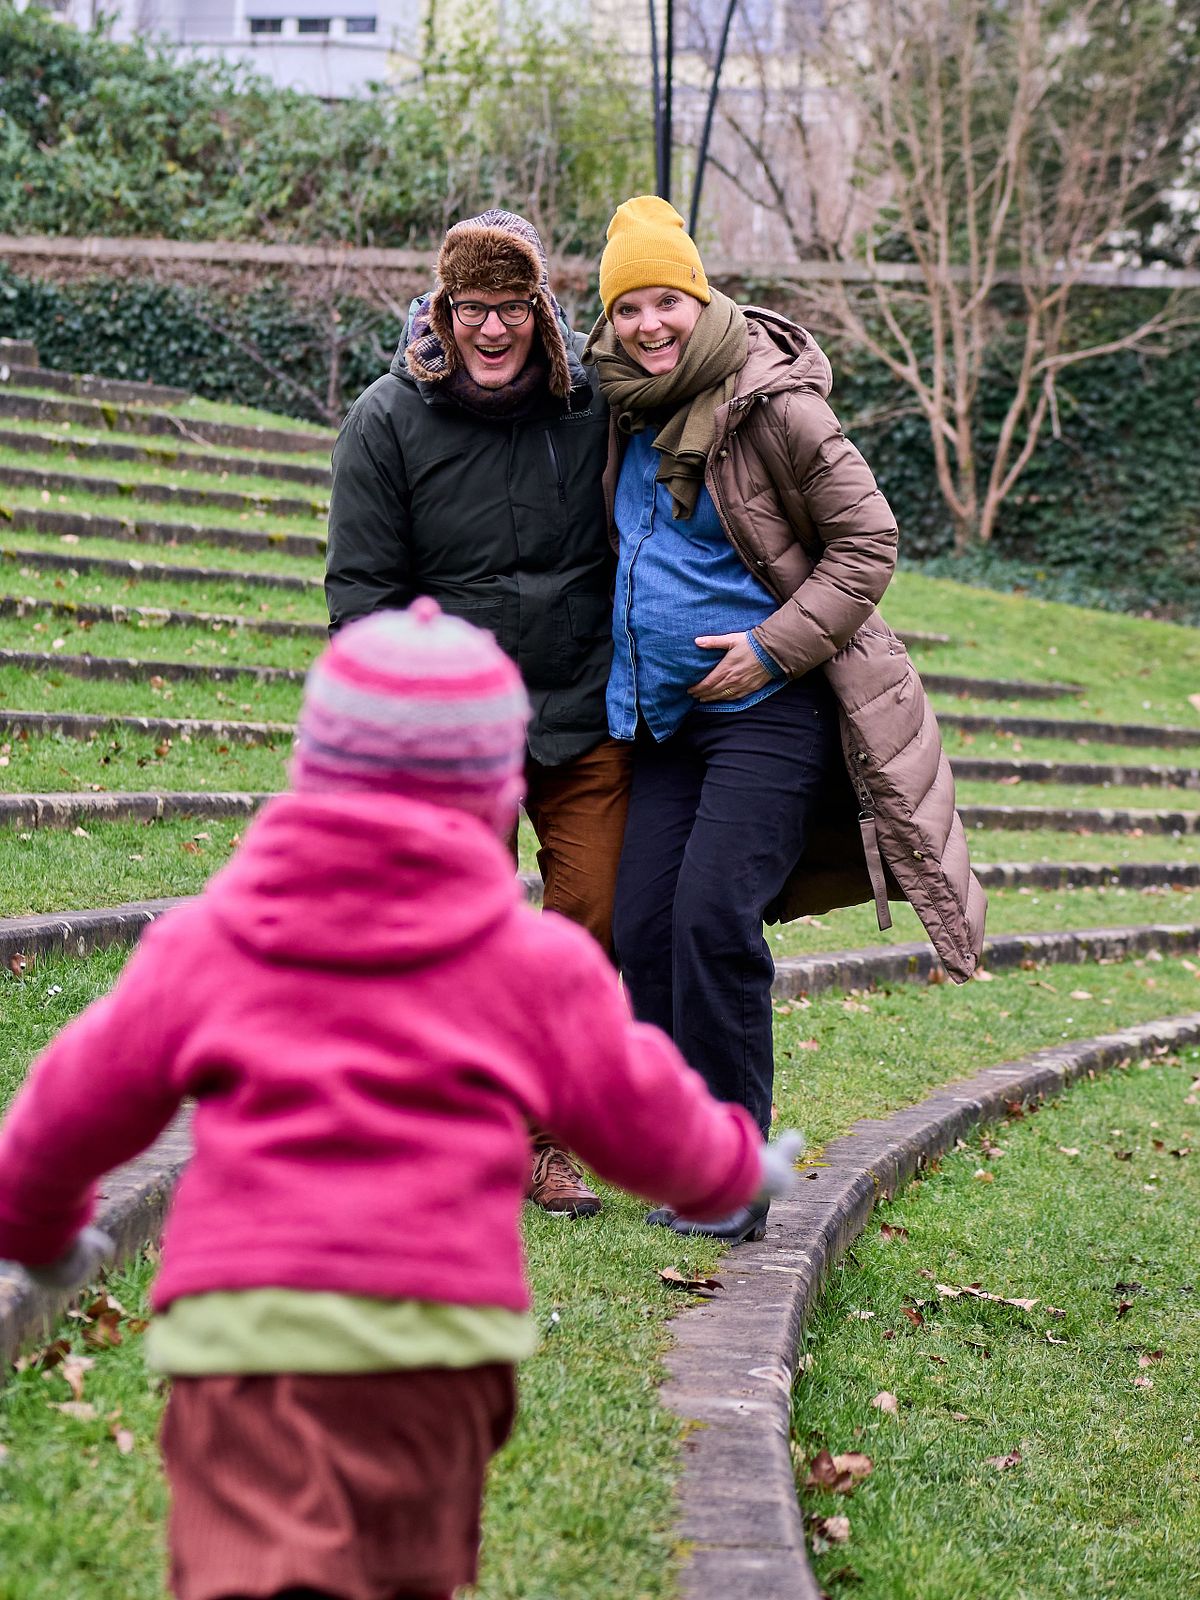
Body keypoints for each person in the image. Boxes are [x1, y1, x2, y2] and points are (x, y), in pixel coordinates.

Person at [0, 602, 801, 1600]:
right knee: (402, 1569)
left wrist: (37, 1231)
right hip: (439, 1346)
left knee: (247, 1564)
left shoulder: (211, 942)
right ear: (498, 793)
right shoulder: (535, 965)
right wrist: (733, 1164)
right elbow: (637, 1111)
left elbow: (71, 1106)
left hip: (247, 1333)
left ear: (310, 767)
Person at [584, 196, 986, 1244]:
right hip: (664, 718)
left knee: (714, 918)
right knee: (643, 926)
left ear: (700, 296)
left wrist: (769, 646)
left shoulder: (773, 404)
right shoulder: (616, 405)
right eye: (627, 307)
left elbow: (869, 542)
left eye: (666, 300)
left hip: (771, 709)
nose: (649, 324)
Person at [325, 209, 628, 1218]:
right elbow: (362, 592)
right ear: (441, 310)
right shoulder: (386, 419)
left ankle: (543, 1137)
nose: (491, 329)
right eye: (471, 308)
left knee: (589, 924)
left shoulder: (593, 405)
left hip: (580, 712)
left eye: (511, 307)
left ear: (542, 309)